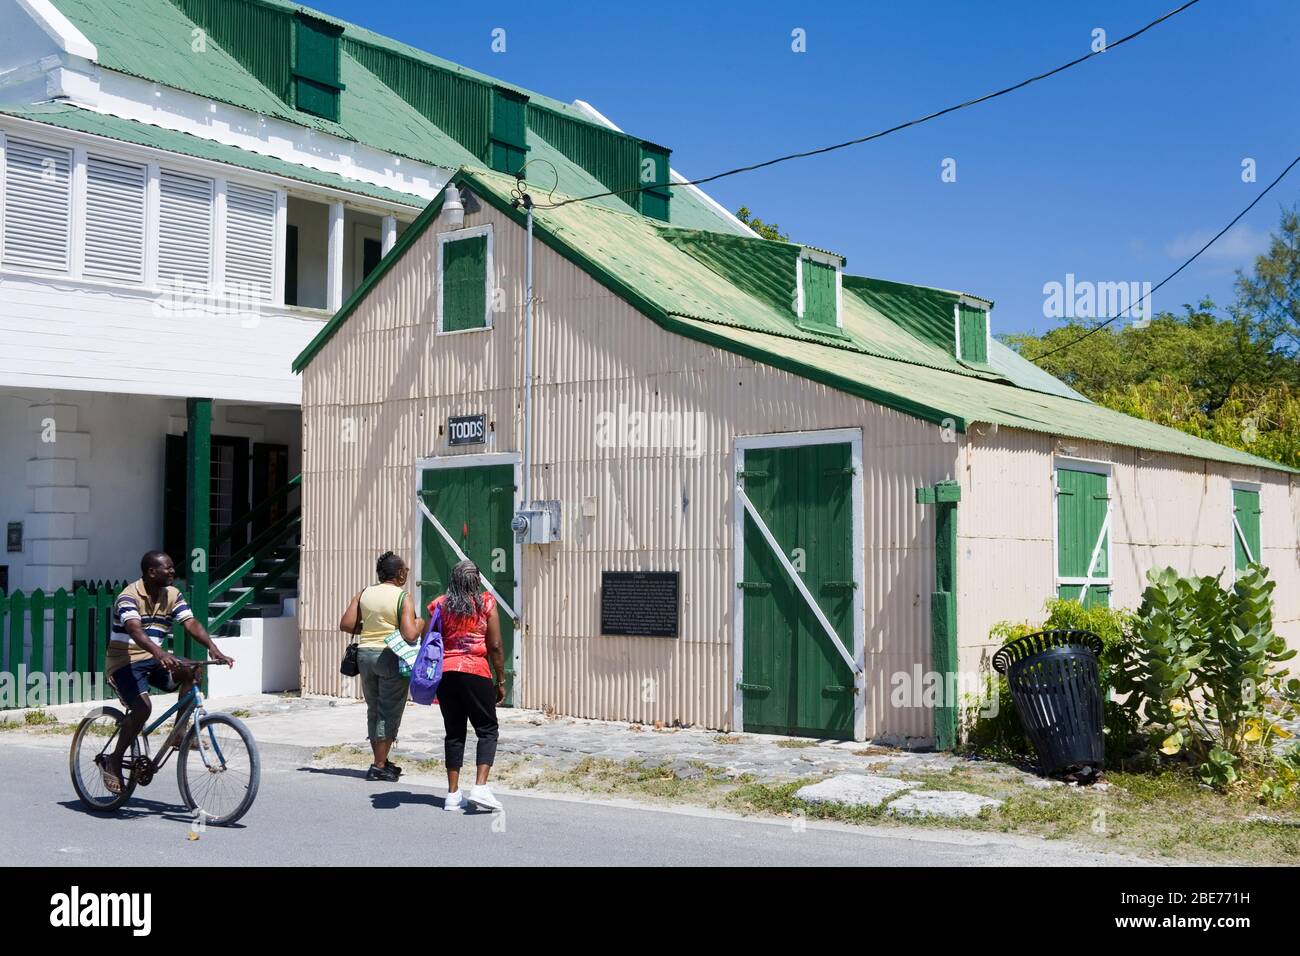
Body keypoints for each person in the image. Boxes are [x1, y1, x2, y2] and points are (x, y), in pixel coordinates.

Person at [102, 551, 235, 795]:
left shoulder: (172, 594)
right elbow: (134, 630)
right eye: (169, 568)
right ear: (152, 572)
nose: (173, 572)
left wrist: (212, 647)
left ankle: (178, 734)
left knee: (192, 671)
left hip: (153, 658)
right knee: (142, 709)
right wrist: (160, 654)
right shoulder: (128, 597)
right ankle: (114, 759)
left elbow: (190, 622)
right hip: (124, 662)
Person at [429, 559, 506, 812]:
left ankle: (452, 795)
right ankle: (480, 787)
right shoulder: (486, 603)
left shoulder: (440, 605)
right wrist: (501, 680)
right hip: (476, 672)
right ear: (477, 581)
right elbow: (495, 646)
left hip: (446, 674)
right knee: (487, 729)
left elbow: (428, 639)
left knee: (454, 733)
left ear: (453, 580)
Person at [339, 552, 422, 782]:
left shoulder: (364, 593)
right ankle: (378, 765)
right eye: (404, 569)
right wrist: (420, 623)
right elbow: (410, 634)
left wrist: (369, 627)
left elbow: (346, 624)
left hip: (365, 656)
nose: (406, 572)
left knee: (374, 709)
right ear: (398, 573)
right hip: (389, 656)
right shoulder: (402, 596)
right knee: (389, 711)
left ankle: (382, 761)